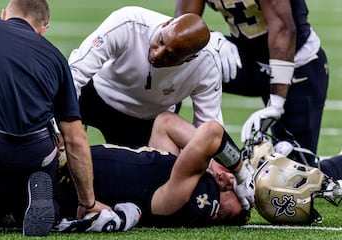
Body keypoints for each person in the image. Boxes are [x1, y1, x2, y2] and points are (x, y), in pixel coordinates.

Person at [0, 0, 110, 236]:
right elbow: (75, 138)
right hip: (37, 154)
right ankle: (42, 201)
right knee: (33, 158)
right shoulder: (55, 57)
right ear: (43, 29)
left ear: (3, 15)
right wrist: (88, 202)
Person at [175, 0, 329, 165]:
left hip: (296, 63)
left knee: (294, 171)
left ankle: (338, 166)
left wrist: (276, 103)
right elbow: (181, 25)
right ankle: (158, 150)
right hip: (248, 59)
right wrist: (211, 38)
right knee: (178, 56)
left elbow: (283, 27)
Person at [56, 111, 254, 229]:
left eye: (232, 188)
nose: (229, 179)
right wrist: (213, 164)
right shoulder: (171, 177)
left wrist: (241, 174)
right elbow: (165, 123)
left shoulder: (185, 197)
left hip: (65, 174)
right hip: (69, 168)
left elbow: (211, 133)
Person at [68, 6, 224, 147]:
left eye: (170, 56)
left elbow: (209, 128)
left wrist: (231, 171)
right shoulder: (128, 23)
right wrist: (64, 123)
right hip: (97, 93)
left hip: (147, 118)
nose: (157, 53)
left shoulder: (208, 65)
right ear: (166, 24)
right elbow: (76, 72)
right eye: (161, 41)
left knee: (140, 176)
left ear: (190, 59)